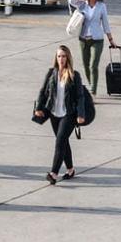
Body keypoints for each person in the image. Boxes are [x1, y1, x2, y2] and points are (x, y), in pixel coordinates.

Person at [33, 44, 89, 185]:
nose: (61, 59)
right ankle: (70, 169)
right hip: (53, 114)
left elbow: (80, 97)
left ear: (68, 58)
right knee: (63, 142)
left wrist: (80, 114)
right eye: (59, 56)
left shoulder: (74, 75)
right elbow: (43, 91)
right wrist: (38, 108)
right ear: (56, 58)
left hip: (68, 114)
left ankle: (54, 173)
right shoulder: (51, 73)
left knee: (59, 141)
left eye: (64, 56)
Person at [68, 0, 118, 94]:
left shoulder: (101, 6)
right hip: (83, 38)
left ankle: (93, 90)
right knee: (86, 65)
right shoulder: (82, 4)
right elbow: (71, 1)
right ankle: (91, 84)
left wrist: (111, 39)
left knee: (93, 65)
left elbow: (105, 23)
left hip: (97, 39)